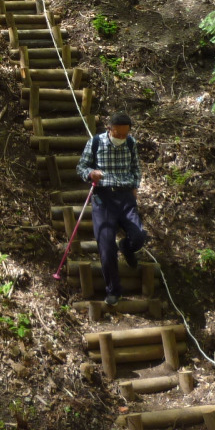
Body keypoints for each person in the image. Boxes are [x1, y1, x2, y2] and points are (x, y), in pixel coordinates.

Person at [76, 112, 147, 306]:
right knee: (106, 247)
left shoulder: (131, 143)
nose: (122, 138)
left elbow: (136, 169)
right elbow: (81, 167)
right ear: (110, 129)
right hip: (103, 197)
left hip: (125, 197)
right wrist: (91, 173)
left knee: (139, 236)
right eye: (119, 134)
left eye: (125, 134)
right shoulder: (96, 142)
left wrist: (134, 186)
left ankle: (126, 247)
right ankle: (113, 290)